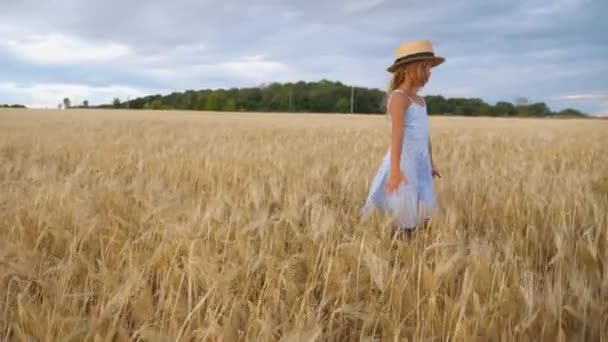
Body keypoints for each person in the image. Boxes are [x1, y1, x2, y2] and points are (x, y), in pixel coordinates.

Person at [361, 40, 445, 233]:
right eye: (424, 67)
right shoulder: (399, 98)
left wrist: (430, 164)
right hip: (403, 164)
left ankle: (416, 251)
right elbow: (397, 136)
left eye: (430, 68)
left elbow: (425, 136)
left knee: (425, 212)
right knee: (404, 213)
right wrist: (395, 170)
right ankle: (400, 248)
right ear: (407, 68)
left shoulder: (420, 100)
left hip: (420, 163)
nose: (429, 72)